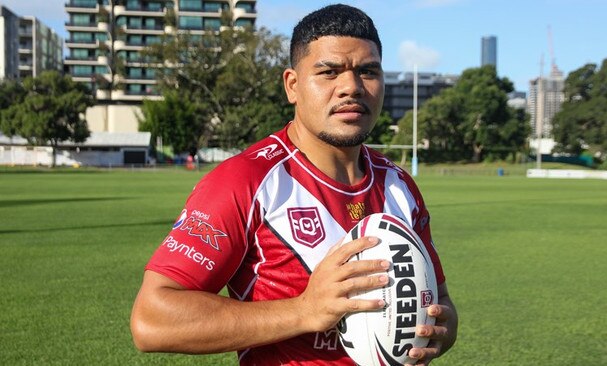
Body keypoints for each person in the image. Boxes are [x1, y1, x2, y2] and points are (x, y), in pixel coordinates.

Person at [130, 4, 458, 365]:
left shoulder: (400, 186)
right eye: (329, 72)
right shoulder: (245, 181)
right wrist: (304, 310)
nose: (351, 86)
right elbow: (152, 319)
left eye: (367, 71)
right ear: (293, 85)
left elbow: (443, 305)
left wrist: (436, 331)